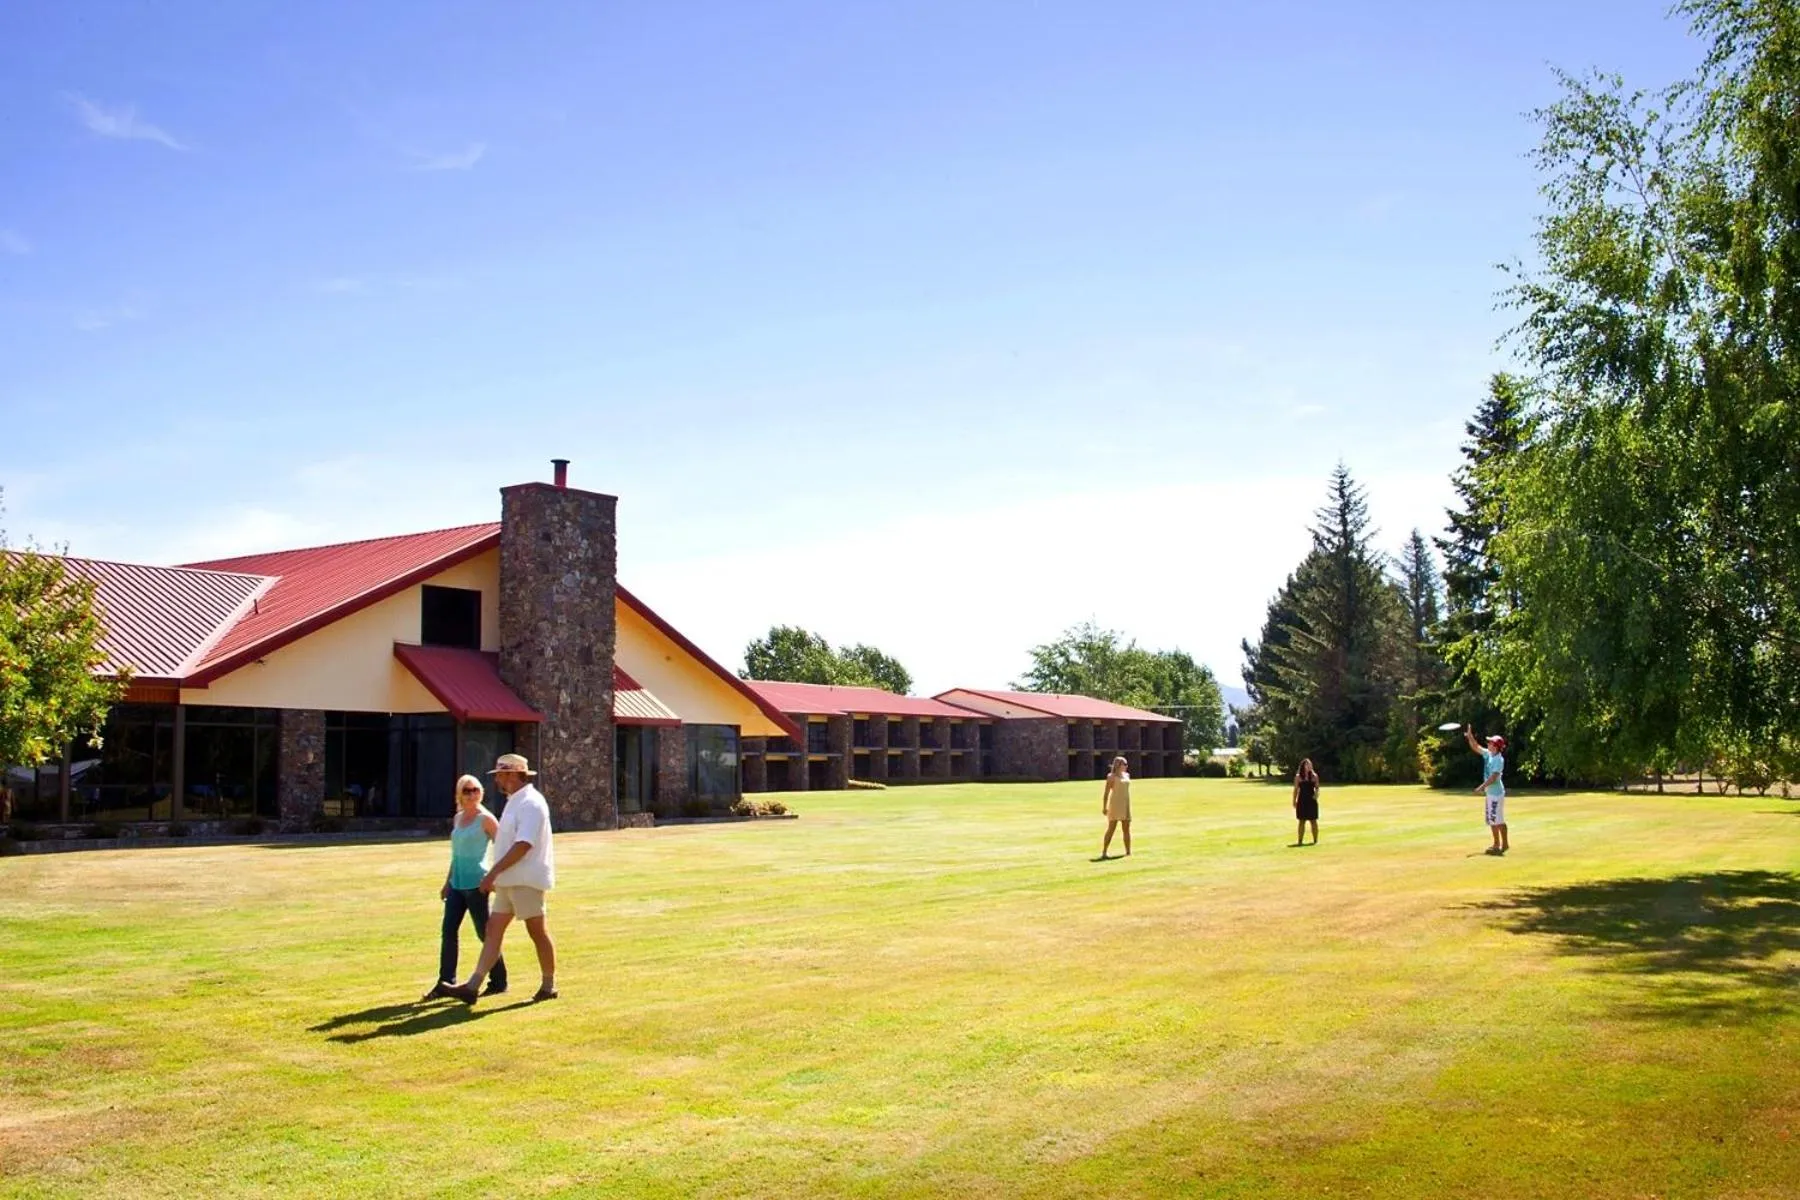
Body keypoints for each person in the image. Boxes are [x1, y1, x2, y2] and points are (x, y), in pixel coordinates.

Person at [440, 753, 558, 1003]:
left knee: (537, 931)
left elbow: (523, 844)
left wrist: (492, 873)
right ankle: (472, 986)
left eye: (501, 775)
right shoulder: (514, 801)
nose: (498, 781)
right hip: (508, 879)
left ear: (514, 774)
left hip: (525, 879)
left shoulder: (531, 803)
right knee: (493, 930)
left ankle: (548, 986)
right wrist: (498, 874)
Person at [424, 775, 507, 1001]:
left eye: (476, 790)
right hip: (457, 885)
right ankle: (445, 982)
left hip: (477, 885)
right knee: (449, 932)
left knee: (485, 934)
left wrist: (494, 878)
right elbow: (456, 855)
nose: (472, 794)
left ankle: (499, 981)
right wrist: (447, 883)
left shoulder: (486, 819)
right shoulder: (458, 819)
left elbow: (504, 849)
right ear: (459, 794)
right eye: (467, 791)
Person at [1463, 726, 1509, 855]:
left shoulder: (1498, 759)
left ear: (1495, 746)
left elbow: (1494, 777)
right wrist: (1470, 736)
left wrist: (1481, 787)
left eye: (1490, 742)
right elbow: (1476, 747)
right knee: (1492, 819)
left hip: (1496, 793)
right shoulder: (1489, 754)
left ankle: (1501, 844)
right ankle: (1499, 844)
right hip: (1490, 793)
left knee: (1497, 820)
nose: (1488, 744)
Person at [1100, 756, 1132, 858]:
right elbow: (1106, 794)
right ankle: (1104, 852)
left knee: (1126, 828)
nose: (1126, 766)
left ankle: (1128, 852)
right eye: (1124, 764)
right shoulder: (1111, 777)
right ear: (1118, 765)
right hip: (1115, 805)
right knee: (1111, 828)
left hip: (1125, 804)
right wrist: (1104, 807)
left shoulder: (1127, 775)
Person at [1291, 758, 1320, 845]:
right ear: (1303, 766)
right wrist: (1294, 801)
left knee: (1313, 821)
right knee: (1301, 821)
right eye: (1307, 765)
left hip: (1311, 801)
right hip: (1302, 801)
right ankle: (1300, 841)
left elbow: (1317, 788)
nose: (1309, 766)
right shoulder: (1298, 777)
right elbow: (1296, 790)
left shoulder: (1314, 776)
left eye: (1310, 765)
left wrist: (1316, 794)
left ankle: (1315, 840)